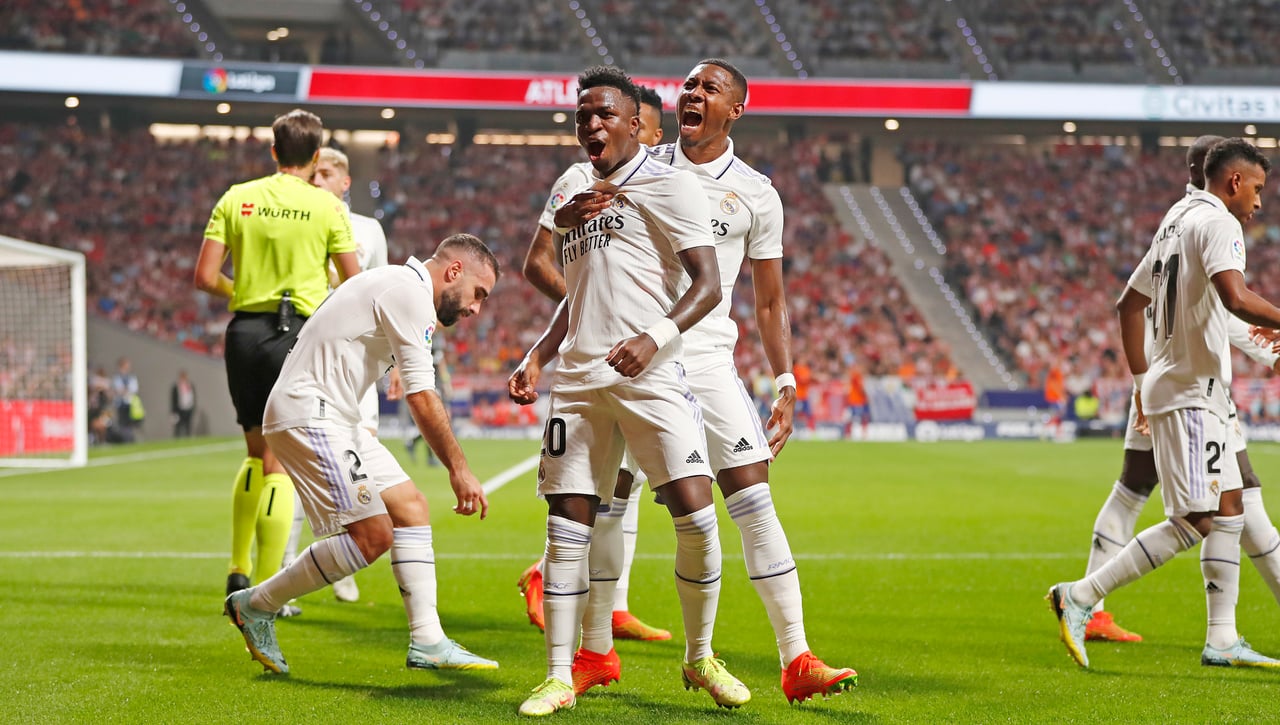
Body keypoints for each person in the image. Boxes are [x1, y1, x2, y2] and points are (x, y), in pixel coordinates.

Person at [561, 58, 856, 704]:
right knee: (611, 497)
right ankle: (595, 651)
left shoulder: (756, 193)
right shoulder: (638, 165)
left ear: (736, 110)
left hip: (711, 360)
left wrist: (785, 382)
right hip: (634, 361)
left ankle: (796, 655)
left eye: (708, 88)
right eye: (688, 86)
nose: (692, 94)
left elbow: (771, 301)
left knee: (752, 495)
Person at [507, 66, 732, 717]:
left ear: (636, 124)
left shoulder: (673, 185)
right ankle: (558, 672)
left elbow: (709, 285)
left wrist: (654, 336)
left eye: (604, 114)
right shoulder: (572, 189)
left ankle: (700, 656)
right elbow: (571, 288)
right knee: (565, 528)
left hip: (651, 376)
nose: (592, 125)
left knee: (695, 514)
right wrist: (539, 353)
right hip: (577, 384)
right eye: (582, 117)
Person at [1049, 138, 1280, 669]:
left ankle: (1222, 639)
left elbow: (1129, 303)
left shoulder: (1175, 218)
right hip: (1191, 394)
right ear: (1234, 182)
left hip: (1186, 388)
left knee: (1230, 508)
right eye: (1259, 190)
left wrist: (1140, 379)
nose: (1260, 204)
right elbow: (1235, 300)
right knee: (1193, 520)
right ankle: (1080, 596)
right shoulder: (1221, 223)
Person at [224, 233, 500, 675]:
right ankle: (257, 604)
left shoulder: (399, 286)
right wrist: (459, 468)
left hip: (339, 418)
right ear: (453, 272)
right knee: (373, 535)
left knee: (410, 508)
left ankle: (428, 640)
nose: (475, 309)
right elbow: (422, 397)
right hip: (309, 413)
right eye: (478, 294)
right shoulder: (408, 292)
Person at [516, 84, 673, 643]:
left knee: (624, 483)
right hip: (600, 359)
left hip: (655, 354)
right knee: (596, 482)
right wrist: (587, 312)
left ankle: (614, 605)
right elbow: (537, 263)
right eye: (653, 130)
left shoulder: (668, 185)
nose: (659, 140)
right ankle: (547, 574)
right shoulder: (580, 183)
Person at [194, 108, 360, 604]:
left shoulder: (238, 198)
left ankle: (237, 564)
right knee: (281, 464)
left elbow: (204, 276)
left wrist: (242, 290)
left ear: (273, 151)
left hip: (245, 331)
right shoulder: (327, 207)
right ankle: (267, 590)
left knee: (253, 453)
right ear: (314, 158)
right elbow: (352, 282)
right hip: (297, 338)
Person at [275, 146, 391, 607]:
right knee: (299, 470)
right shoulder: (297, 222)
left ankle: (343, 558)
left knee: (357, 460)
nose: (317, 178)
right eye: (313, 172)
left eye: (326, 173)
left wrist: (396, 363)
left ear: (344, 181)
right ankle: (287, 565)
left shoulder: (368, 230)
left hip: (357, 367)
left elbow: (385, 297)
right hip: (308, 359)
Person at [111, 357, 139, 443]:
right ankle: (124, 439)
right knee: (122, 422)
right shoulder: (117, 378)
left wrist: (125, 390)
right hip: (121, 404)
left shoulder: (131, 378)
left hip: (130, 403)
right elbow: (118, 389)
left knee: (130, 423)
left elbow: (134, 389)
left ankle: (130, 439)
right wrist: (124, 390)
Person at [171, 369, 196, 438]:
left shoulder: (190, 385)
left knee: (188, 426)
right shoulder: (176, 386)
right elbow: (173, 399)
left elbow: (193, 397)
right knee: (178, 426)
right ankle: (177, 440)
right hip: (179, 409)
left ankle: (188, 439)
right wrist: (173, 411)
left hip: (188, 408)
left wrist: (193, 407)